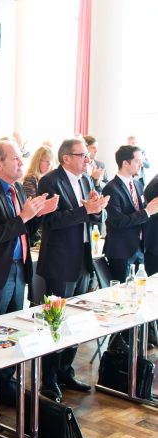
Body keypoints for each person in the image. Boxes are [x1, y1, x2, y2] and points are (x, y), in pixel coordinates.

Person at [0, 142, 57, 415]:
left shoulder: (18, 189)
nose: (22, 163)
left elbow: (23, 230)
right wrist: (24, 217)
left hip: (19, 269)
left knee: (11, 334)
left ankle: (7, 386)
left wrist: (38, 215)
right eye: (16, 159)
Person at [36, 138, 108, 401]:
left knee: (76, 321)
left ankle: (66, 370)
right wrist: (84, 209)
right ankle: (49, 379)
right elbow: (49, 221)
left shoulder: (87, 181)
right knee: (56, 321)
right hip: (60, 261)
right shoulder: (50, 181)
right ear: (66, 157)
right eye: (82, 155)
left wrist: (96, 210)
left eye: (88, 155)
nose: (87, 160)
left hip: (83, 259)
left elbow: (90, 217)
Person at [103, 145, 158, 282]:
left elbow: (143, 213)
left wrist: (151, 209)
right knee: (121, 293)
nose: (141, 165)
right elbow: (117, 221)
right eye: (137, 161)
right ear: (125, 163)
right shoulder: (111, 188)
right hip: (121, 250)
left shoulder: (138, 185)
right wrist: (146, 212)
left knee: (138, 290)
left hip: (139, 248)